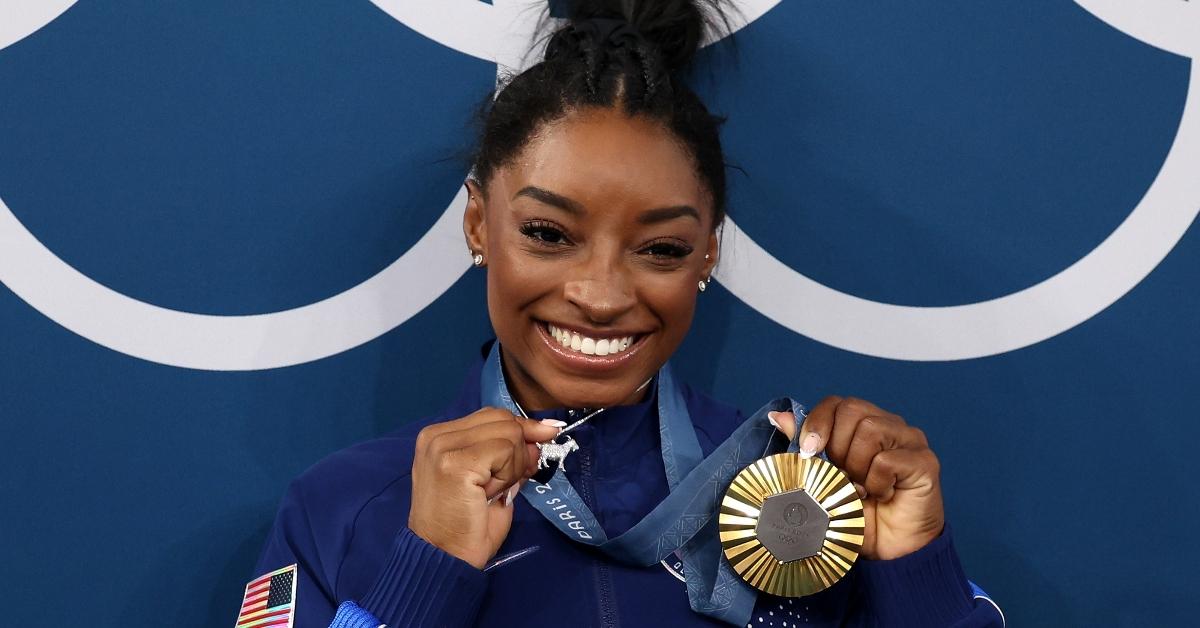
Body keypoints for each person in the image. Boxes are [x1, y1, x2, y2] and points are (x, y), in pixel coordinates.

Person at [244, 1, 1005, 626]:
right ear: (478, 224)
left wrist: (919, 574)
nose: (602, 295)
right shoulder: (343, 506)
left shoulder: (815, 501)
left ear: (708, 254)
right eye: (547, 234)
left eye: (662, 249)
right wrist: (424, 575)